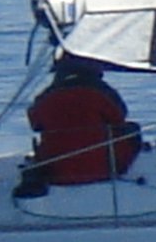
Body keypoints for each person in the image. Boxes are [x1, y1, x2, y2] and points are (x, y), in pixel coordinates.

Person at [23, 54, 142, 191]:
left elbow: (35, 124)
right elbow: (119, 117)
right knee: (131, 129)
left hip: (56, 172)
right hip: (102, 169)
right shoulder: (101, 92)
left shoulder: (46, 97)